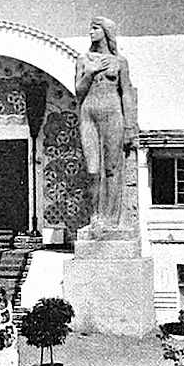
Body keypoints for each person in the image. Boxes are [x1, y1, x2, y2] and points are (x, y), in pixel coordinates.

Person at [75, 17, 138, 236]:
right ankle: (94, 217)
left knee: (111, 168)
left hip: (113, 113)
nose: (90, 32)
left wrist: (130, 126)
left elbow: (127, 93)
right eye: (90, 28)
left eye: (95, 28)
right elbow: (78, 92)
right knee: (92, 169)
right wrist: (90, 72)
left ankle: (111, 218)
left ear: (106, 32)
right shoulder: (83, 59)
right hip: (89, 113)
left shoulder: (119, 62)